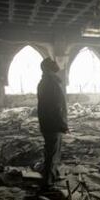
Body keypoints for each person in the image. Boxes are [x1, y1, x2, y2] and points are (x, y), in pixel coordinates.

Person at [37, 57, 69, 189]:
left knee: (51, 151)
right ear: (48, 68)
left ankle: (52, 175)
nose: (57, 63)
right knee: (53, 153)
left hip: (47, 123)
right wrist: (62, 124)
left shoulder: (45, 82)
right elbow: (56, 107)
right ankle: (48, 182)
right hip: (53, 124)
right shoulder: (51, 83)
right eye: (53, 63)